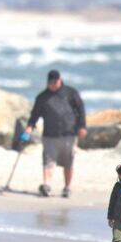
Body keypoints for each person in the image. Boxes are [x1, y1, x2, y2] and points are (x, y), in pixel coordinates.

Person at [24, 69, 87, 198]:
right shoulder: (42, 97)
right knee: (48, 161)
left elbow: (81, 109)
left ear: (60, 80)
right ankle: (46, 186)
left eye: (55, 82)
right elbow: (35, 114)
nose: (52, 85)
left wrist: (82, 126)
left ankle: (67, 187)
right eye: (50, 83)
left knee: (68, 161)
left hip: (69, 134)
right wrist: (30, 126)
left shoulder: (70, 93)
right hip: (49, 135)